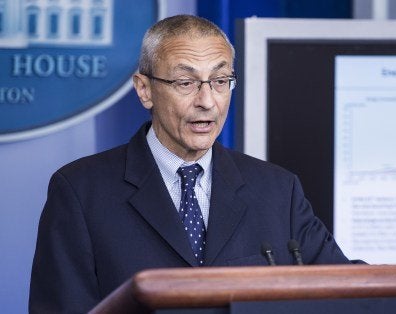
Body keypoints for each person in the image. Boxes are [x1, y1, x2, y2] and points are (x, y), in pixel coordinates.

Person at [29, 14, 353, 313]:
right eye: (186, 83)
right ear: (145, 90)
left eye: (220, 81)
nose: (207, 101)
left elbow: (354, 292)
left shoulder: (278, 190)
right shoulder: (80, 192)